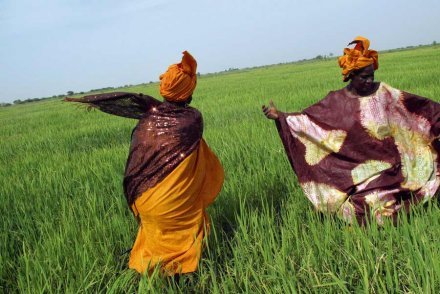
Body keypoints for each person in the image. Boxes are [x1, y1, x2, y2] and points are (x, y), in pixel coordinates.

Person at [66, 51, 224, 275]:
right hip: (175, 209)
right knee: (192, 221)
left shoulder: (148, 120)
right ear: (188, 92)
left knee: (156, 234)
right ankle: (182, 270)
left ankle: (150, 271)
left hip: (145, 202)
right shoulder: (193, 119)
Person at [262, 36, 440, 225]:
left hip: (399, 165)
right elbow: (308, 122)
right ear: (351, 75)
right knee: (376, 211)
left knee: (430, 180)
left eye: (372, 75)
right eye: (364, 77)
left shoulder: (384, 92)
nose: (370, 80)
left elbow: (419, 109)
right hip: (366, 175)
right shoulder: (335, 102)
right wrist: (280, 116)